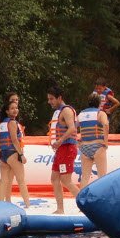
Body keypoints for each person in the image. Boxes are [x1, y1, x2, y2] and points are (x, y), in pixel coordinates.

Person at [47, 86, 80, 214]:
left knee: (66, 180)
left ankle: (86, 202)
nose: (49, 101)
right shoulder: (58, 111)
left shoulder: (66, 111)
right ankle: (60, 208)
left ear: (59, 98)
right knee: (54, 178)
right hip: (61, 149)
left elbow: (72, 128)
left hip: (67, 148)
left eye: (51, 99)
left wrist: (60, 141)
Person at [0, 99, 30, 208]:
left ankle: (4, 203)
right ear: (7, 111)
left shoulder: (2, 124)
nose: (15, 110)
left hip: (3, 155)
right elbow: (15, 140)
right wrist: (21, 155)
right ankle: (27, 204)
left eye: (16, 108)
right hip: (12, 153)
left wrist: (0, 153)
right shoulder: (12, 123)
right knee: (21, 180)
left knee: (5, 181)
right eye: (12, 108)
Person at [0, 92, 19, 202]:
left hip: (8, 147)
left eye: (17, 100)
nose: (15, 102)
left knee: (8, 175)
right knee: (7, 175)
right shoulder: (3, 114)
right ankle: (2, 199)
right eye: (13, 100)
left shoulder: (14, 114)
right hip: (4, 147)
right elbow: (0, 132)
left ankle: (0, 198)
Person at [78, 92, 110, 188]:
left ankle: (81, 200)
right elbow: (106, 124)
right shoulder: (100, 113)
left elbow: (72, 127)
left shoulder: (81, 114)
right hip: (98, 146)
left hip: (84, 148)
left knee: (85, 177)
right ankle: (101, 199)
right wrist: (105, 141)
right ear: (99, 103)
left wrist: (78, 141)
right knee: (102, 177)